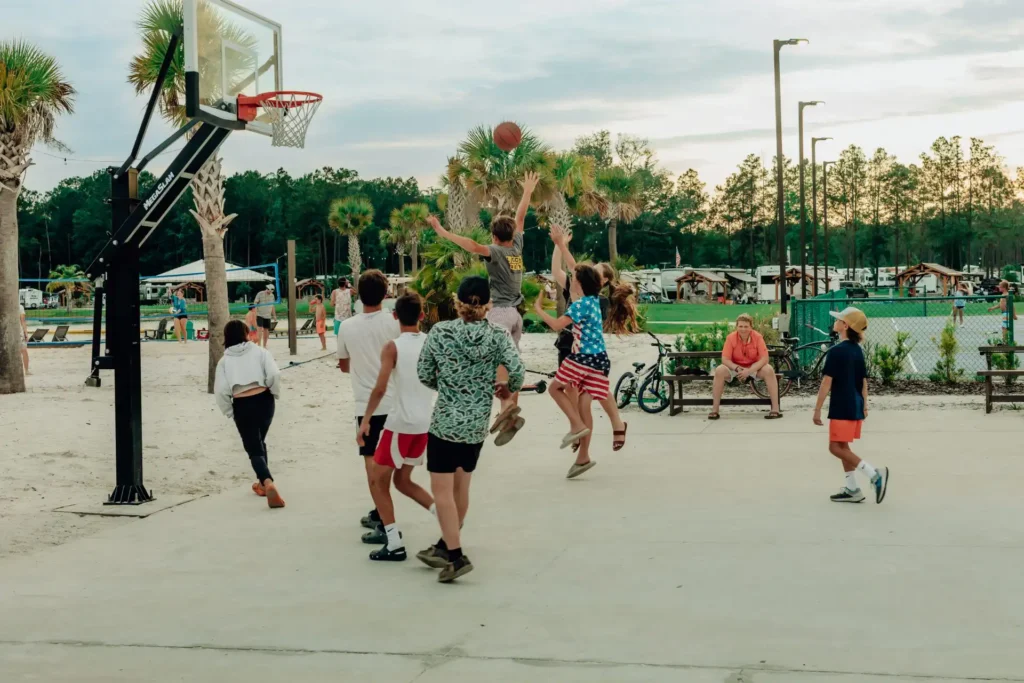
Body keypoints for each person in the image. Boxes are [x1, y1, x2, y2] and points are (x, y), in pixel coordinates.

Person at [416, 276, 524, 582]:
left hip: (445, 422)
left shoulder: (440, 331)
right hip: (476, 424)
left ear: (457, 303)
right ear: (488, 304)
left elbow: (424, 373)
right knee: (461, 487)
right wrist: (504, 385)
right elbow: (516, 370)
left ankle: (456, 555)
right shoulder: (499, 335)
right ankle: (443, 546)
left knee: (442, 492)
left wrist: (448, 384)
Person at [424, 170, 539, 446]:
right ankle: (508, 412)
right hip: (516, 314)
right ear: (512, 234)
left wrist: (441, 231)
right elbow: (521, 216)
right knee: (511, 362)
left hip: (499, 311)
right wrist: (527, 191)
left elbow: (471, 245)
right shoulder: (517, 246)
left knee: (498, 360)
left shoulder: (497, 251)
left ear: (494, 236)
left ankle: (506, 409)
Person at [357, 292, 435, 562]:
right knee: (402, 481)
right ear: (422, 316)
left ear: (395, 316)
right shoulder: (431, 342)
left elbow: (380, 388)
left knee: (378, 481)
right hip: (424, 423)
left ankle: (393, 542)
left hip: (400, 423)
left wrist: (366, 420)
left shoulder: (393, 346)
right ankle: (446, 516)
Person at [547, 226, 629, 461]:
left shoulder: (596, 301)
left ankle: (585, 443)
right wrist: (558, 244)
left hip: (586, 355)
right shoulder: (576, 289)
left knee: (585, 401)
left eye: (595, 270)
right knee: (575, 400)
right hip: (569, 348)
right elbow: (562, 270)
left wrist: (563, 244)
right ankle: (579, 435)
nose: (587, 271)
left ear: (601, 281)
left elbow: (576, 269)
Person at [337, 270, 401, 540]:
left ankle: (385, 525)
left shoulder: (348, 327)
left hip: (367, 407)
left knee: (371, 466)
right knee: (392, 467)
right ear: (385, 293)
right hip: (397, 403)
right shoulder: (395, 323)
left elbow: (343, 366)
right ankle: (379, 512)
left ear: (358, 295)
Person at [534, 261, 613, 477]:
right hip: (600, 360)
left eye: (574, 278)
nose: (572, 281)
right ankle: (583, 457)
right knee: (585, 405)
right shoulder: (595, 301)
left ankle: (576, 426)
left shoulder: (579, 305)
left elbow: (558, 325)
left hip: (582, 358)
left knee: (554, 389)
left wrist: (539, 310)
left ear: (579, 284)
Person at [812, 307, 889, 504]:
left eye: (838, 320)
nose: (835, 322)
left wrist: (817, 409)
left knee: (835, 447)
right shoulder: (857, 351)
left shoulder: (836, 351)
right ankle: (853, 489)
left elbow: (826, 383)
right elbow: (863, 381)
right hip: (854, 403)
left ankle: (874, 475)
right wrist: (864, 404)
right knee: (843, 446)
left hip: (841, 405)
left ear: (845, 326)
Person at [214, 319, 285, 509]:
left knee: (253, 448)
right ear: (246, 334)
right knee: (259, 442)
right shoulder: (260, 351)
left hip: (242, 404)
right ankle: (262, 485)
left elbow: (220, 391)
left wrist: (230, 411)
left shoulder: (224, 361)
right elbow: (274, 375)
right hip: (264, 400)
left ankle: (268, 482)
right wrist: (274, 392)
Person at [709, 314, 782, 420]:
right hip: (735, 367)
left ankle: (775, 409)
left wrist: (749, 371)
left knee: (769, 370)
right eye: (741, 326)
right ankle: (715, 410)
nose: (743, 329)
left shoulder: (758, 337)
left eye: (746, 326)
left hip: (753, 367)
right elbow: (725, 359)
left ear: (751, 327)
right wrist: (737, 368)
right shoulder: (731, 338)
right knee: (719, 370)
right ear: (736, 327)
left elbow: (764, 359)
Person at [253, 284, 277, 348]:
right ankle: (259, 345)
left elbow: (272, 306)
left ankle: (264, 345)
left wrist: (274, 315)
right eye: (268, 290)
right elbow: (255, 304)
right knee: (259, 329)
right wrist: (255, 314)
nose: (269, 292)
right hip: (260, 314)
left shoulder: (272, 296)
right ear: (266, 289)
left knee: (266, 330)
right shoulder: (260, 294)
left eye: (270, 291)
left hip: (268, 315)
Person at [19, 303, 29, 375]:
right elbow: (23, 321)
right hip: (19, 332)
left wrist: (25, 333)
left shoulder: (20, 307)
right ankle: (26, 370)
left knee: (23, 351)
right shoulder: (20, 307)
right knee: (24, 351)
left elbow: (23, 321)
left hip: (19, 332)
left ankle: (26, 370)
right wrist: (26, 333)